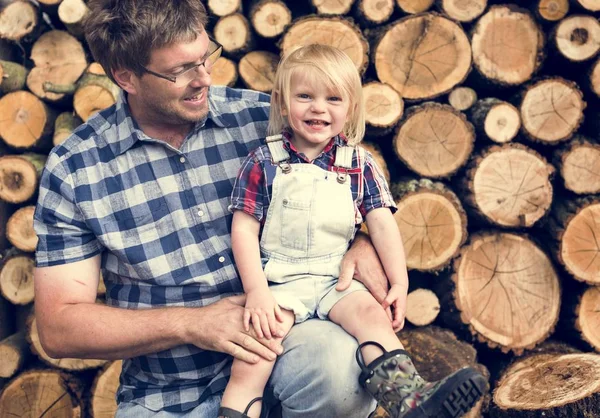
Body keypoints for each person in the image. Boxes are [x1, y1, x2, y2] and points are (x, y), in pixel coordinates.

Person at [32, 1, 392, 417]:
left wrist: (361, 241)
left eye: (206, 58)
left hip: (287, 340)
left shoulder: (268, 120)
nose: (204, 79)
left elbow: (351, 184)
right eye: (180, 70)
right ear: (125, 76)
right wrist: (192, 323)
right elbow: (59, 327)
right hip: (168, 390)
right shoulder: (78, 167)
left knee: (336, 365)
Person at [220, 45, 487, 418]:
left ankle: (410, 400)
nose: (318, 108)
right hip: (281, 283)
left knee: (371, 318)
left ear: (350, 109)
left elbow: (381, 223)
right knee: (254, 356)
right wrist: (257, 293)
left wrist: (399, 281)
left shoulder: (358, 163)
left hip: (336, 279)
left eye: (333, 98)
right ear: (282, 104)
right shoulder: (264, 161)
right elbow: (244, 230)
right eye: (304, 96)